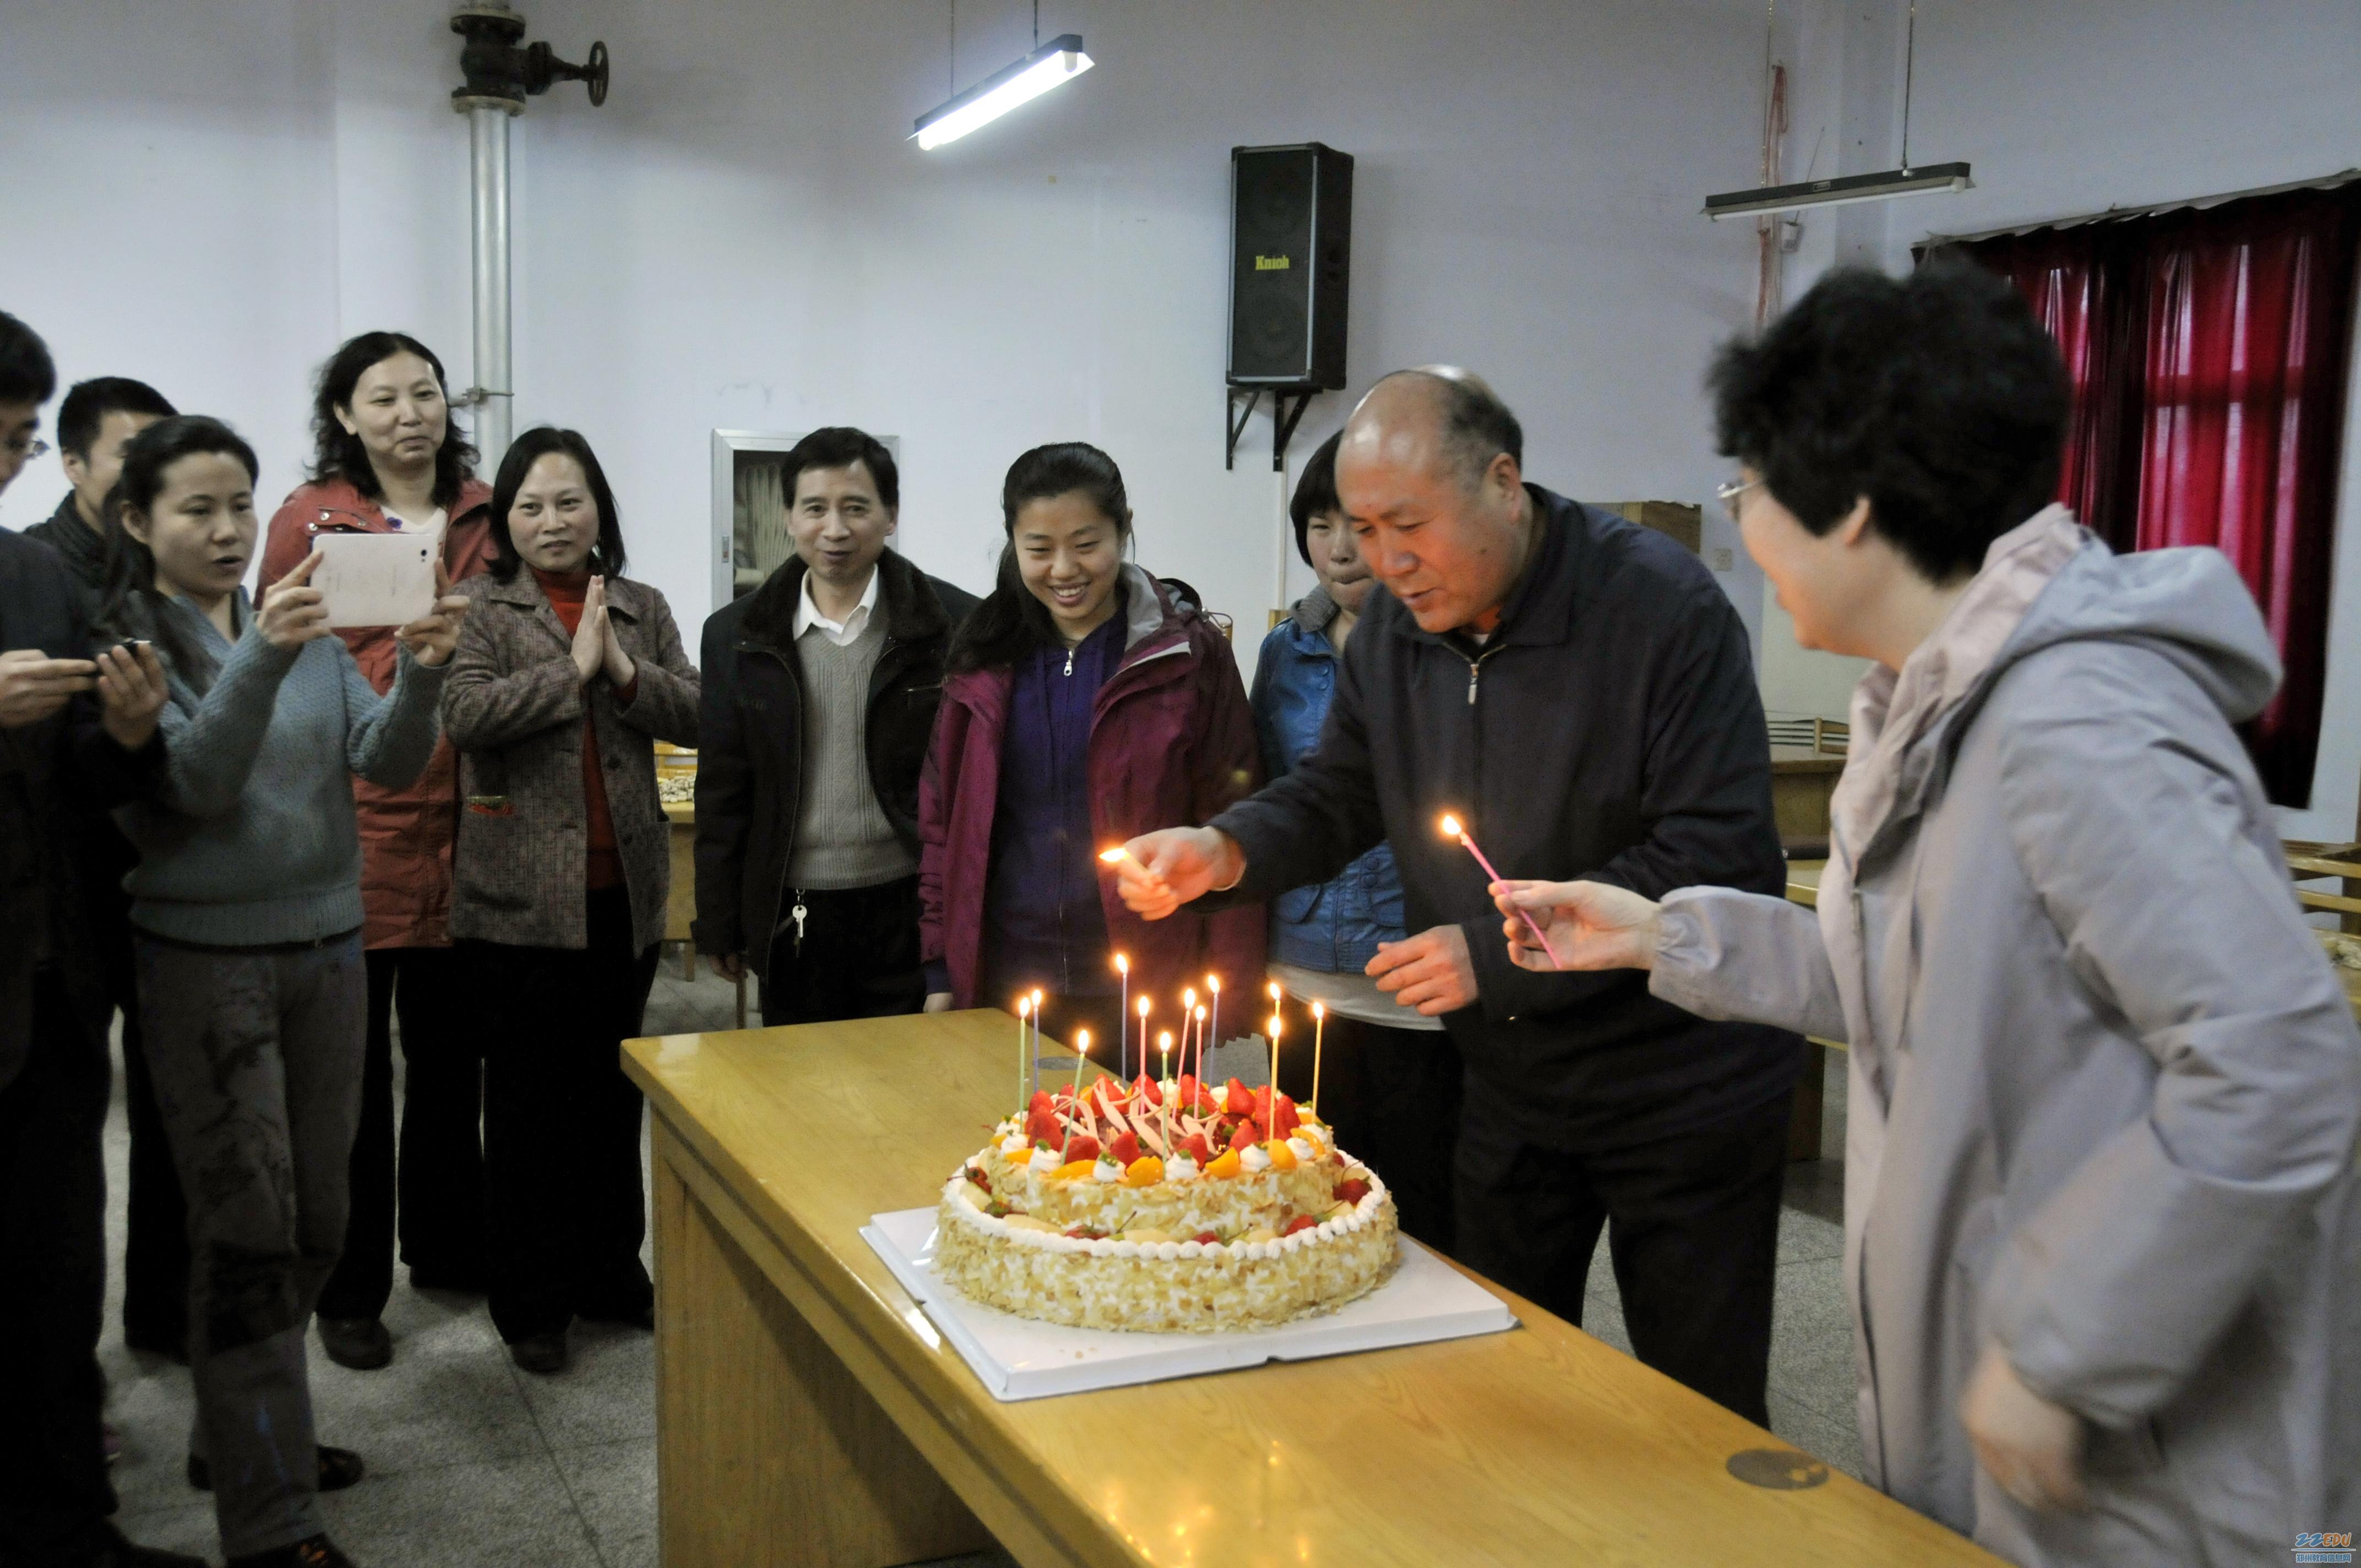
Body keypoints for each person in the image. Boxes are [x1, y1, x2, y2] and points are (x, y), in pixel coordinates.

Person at [1488, 263, 2361, 1565]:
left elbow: (2276, 1062)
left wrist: (2069, 1352)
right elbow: (1915, 971)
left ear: (1846, 506)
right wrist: (1659, 932)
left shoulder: (2075, 722)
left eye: (1747, 489)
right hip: (2006, 1382)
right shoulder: (1929, 702)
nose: (1743, 525)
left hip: (2144, 1448)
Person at [1112, 371, 1800, 1425]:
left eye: (1407, 525)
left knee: (1690, 1404)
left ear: (1503, 482)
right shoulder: (1393, 630)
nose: (1382, 561)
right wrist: (1223, 847)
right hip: (1510, 1072)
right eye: (1357, 528)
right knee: (1497, 1373)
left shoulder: (1657, 609)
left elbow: (1717, 855)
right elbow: (1343, 790)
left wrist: (1488, 947)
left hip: (1680, 1079)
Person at [104, 413, 467, 1568]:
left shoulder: (302, 630)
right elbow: (195, 785)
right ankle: (270, 1523)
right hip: (205, 970)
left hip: (330, 951)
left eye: (235, 505)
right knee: (249, 1230)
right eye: (193, 508)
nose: (222, 529)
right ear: (136, 521)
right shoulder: (132, 648)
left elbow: (387, 760)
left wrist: (418, 672)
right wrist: (262, 650)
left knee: (320, 1217)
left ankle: (238, 1427)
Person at [0, 312, 199, 1568]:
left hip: (44, 995)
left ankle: (72, 1527)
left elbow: (72, 780)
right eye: (10, 434)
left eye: (19, 439)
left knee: (52, 1282)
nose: (10, 462)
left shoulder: (30, 576)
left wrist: (121, 731)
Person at [258, 331, 496, 1370]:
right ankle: (348, 1291)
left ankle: (443, 1244)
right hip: (355, 821)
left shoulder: (492, 509)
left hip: (478, 822)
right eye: (384, 397)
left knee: (452, 1064)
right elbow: (273, 656)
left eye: (426, 392)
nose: (410, 412)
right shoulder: (311, 517)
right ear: (346, 415)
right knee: (349, 1083)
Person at [443, 428, 700, 1375]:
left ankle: (610, 1273)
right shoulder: (483, 607)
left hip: (621, 902)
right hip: (514, 907)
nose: (553, 521)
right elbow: (464, 716)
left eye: (570, 500)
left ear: (600, 508)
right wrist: (571, 672)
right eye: (531, 506)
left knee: (607, 1102)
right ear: (505, 523)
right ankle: (532, 1302)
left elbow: (699, 710)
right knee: (525, 1111)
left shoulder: (642, 605)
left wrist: (624, 672)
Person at [921, 441, 1264, 1059]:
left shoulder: (1187, 655)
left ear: (1124, 529)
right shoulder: (983, 660)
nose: (1064, 569)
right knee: (1006, 1151)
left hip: (1146, 981)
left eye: (1085, 544)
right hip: (1007, 977)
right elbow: (942, 825)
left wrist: (1231, 986)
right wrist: (941, 965)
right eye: (1039, 549)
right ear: (1012, 543)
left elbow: (1234, 815)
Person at [1252, 429, 1458, 1251]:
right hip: (1302, 970)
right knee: (1313, 1205)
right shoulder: (1285, 648)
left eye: (1362, 526)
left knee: (1422, 1216)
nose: (1341, 549)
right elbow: (1279, 791)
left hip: (1414, 976)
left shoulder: (1445, 648)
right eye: (1320, 524)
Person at [694, 427, 977, 1025]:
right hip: (792, 906)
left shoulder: (952, 624)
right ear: (790, 517)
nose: (836, 529)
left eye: (856, 508)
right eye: (815, 508)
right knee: (803, 1093)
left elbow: (969, 784)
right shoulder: (737, 634)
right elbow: (723, 787)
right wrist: (718, 919)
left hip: (908, 902)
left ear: (891, 515)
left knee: (906, 1087)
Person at [21, 374, 190, 1359]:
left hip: (161, 873)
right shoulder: (37, 573)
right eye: (132, 453)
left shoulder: (167, 567)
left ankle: (164, 1320)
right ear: (75, 462)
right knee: (63, 1144)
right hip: (70, 887)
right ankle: (61, 1367)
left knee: (174, 1112)